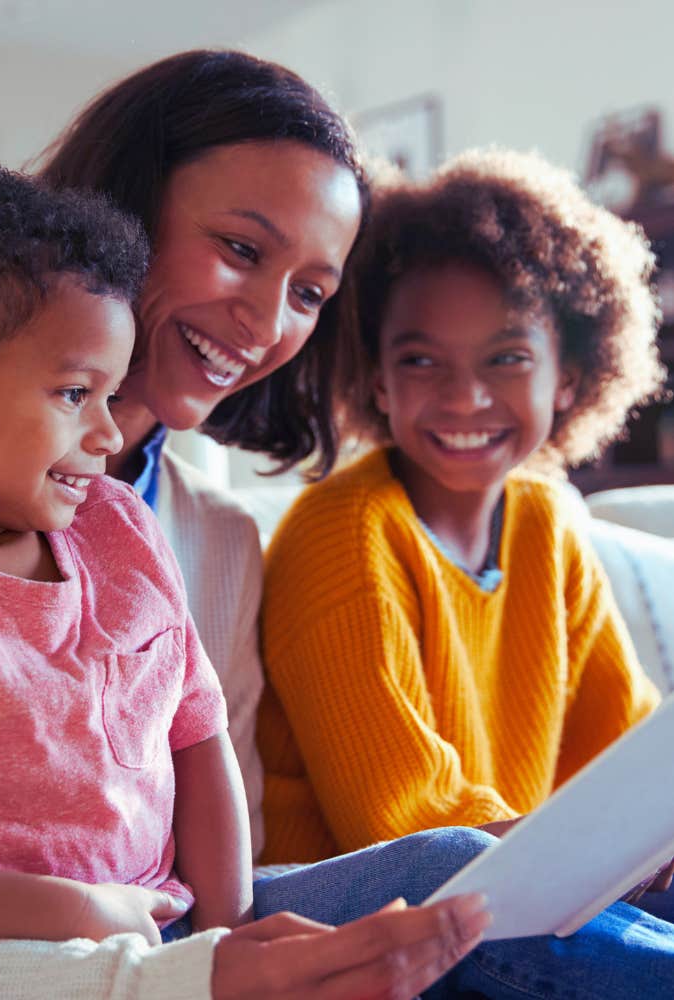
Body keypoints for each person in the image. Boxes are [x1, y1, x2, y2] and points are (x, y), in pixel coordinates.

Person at [0, 57, 674, 1000]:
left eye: (311, 293)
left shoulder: (197, 538)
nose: (267, 321)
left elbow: (210, 790)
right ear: (129, 216)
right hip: (9, 948)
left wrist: (226, 939)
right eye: (239, 248)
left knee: (459, 872)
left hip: (185, 914)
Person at [258, 148, 667, 865]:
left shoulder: (547, 520)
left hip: (519, 885)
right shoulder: (345, 535)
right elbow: (407, 828)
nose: (464, 398)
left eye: (506, 358)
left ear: (568, 379)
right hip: (367, 914)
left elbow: (628, 760)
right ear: (377, 379)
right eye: (421, 361)